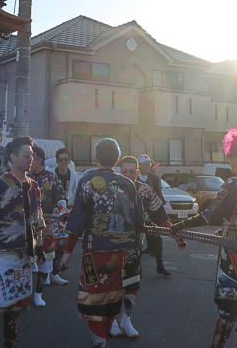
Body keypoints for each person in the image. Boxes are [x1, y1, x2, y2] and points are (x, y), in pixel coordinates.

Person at [170, 127, 237, 348]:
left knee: (233, 302)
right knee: (236, 301)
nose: (230, 162)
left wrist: (181, 225)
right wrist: (229, 229)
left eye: (232, 157)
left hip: (232, 253)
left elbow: (213, 215)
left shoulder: (234, 183)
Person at [60, 138, 144, 348]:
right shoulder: (127, 184)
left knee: (93, 296)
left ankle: (100, 340)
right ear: (116, 160)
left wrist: (67, 251)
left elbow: (77, 219)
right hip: (121, 253)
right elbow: (137, 218)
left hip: (93, 252)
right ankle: (104, 336)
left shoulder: (87, 181)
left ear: (96, 157)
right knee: (112, 295)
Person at [0, 136, 46, 348]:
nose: (30, 160)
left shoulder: (34, 186)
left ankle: (11, 344)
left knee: (16, 308)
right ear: (12, 156)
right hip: (1, 255)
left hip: (24, 256)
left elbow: (37, 219)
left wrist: (39, 246)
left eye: (32, 156)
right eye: (26, 155)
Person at [111, 155, 177, 338]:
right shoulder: (111, 189)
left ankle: (126, 319)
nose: (128, 175)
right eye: (125, 171)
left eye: (132, 171)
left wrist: (174, 231)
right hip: (113, 246)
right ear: (119, 172)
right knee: (113, 284)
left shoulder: (145, 190)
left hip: (134, 246)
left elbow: (160, 214)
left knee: (132, 284)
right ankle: (112, 321)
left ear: (138, 172)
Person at [29, 144, 69, 306]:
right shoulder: (24, 176)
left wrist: (62, 208)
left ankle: (38, 294)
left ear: (39, 159)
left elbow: (61, 196)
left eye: (32, 158)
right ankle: (23, 293)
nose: (29, 161)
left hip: (46, 223)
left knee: (46, 259)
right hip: (25, 224)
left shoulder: (51, 177)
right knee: (24, 259)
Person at [137, 153, 169, 276]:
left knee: (157, 239)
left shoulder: (154, 178)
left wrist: (161, 204)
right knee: (137, 242)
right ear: (139, 166)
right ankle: (136, 270)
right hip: (139, 213)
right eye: (143, 164)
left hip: (153, 212)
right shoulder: (134, 177)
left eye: (148, 164)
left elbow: (158, 193)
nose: (146, 166)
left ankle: (160, 265)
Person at [51, 147, 79, 284]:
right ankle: (49, 272)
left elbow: (78, 193)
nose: (63, 162)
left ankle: (55, 271)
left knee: (63, 243)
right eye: (61, 160)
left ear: (69, 161)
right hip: (53, 213)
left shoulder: (74, 175)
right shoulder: (51, 174)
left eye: (66, 160)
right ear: (57, 161)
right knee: (51, 242)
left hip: (68, 213)